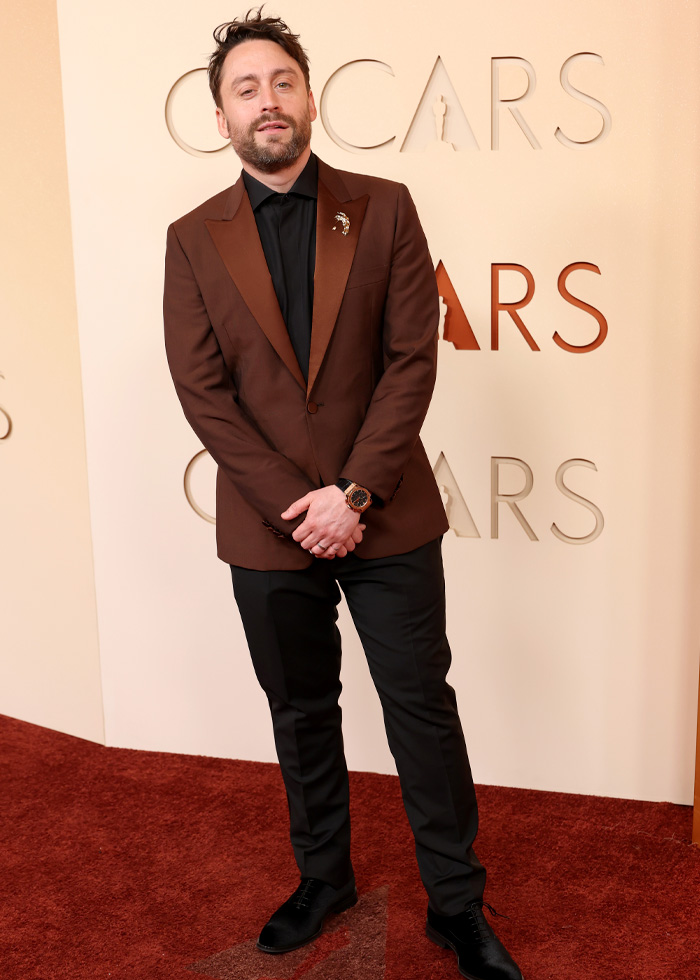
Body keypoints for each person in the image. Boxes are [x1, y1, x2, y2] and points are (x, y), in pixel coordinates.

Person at [163, 10, 524, 980]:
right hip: (268, 526)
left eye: (281, 80)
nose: (266, 100)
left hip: (388, 511)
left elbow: (412, 358)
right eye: (246, 87)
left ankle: (456, 902)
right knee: (300, 709)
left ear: (309, 95)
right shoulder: (192, 238)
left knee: (420, 707)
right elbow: (203, 391)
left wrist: (354, 491)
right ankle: (322, 877)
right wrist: (302, 502)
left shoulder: (385, 205)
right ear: (220, 113)